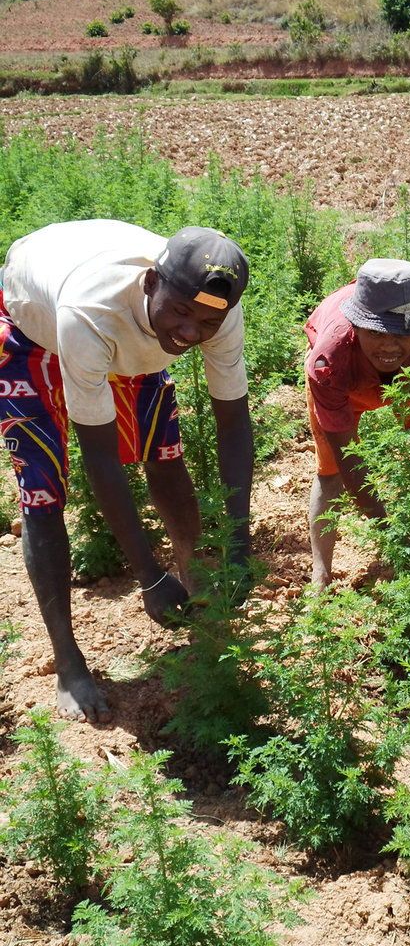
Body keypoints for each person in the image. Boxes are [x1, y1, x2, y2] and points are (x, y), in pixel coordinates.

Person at [0, 219, 254, 724]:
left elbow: (233, 423)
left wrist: (239, 544)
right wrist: (146, 575)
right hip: (34, 328)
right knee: (43, 492)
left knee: (164, 451)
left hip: (128, 338)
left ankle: (193, 579)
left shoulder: (215, 310)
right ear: (151, 283)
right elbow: (101, 456)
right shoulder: (90, 314)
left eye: (206, 325)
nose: (190, 333)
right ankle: (69, 664)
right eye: (181, 314)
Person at [304, 257, 410, 589]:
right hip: (348, 383)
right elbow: (349, 460)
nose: (390, 345)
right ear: (356, 325)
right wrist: (393, 538)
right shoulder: (329, 360)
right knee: (330, 472)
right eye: (376, 332)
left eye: (403, 333)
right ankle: (320, 577)